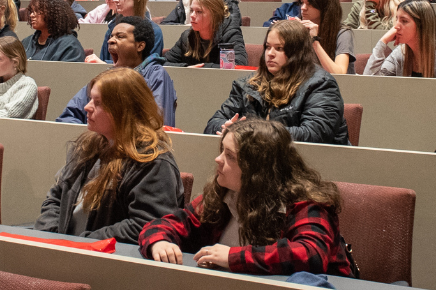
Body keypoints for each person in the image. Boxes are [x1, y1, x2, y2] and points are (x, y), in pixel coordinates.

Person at [138, 118, 355, 277]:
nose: (217, 159)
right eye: (222, 151)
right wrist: (158, 242)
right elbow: (167, 225)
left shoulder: (305, 202)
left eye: (229, 156)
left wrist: (233, 257)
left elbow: (311, 254)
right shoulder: (223, 193)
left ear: (257, 169)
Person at [36, 67, 180, 242]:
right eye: (90, 99)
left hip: (106, 260)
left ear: (122, 110)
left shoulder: (153, 161)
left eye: (98, 103)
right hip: (69, 250)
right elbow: (56, 197)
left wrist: (83, 243)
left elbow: (145, 225)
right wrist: (50, 235)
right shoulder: (87, 147)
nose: (86, 107)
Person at [205, 22, 346, 145]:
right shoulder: (248, 84)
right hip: (257, 161)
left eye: (279, 48)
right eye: (267, 47)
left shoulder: (321, 85)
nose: (270, 54)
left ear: (297, 53)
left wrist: (252, 132)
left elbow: (313, 134)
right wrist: (227, 127)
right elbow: (213, 123)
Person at [62, 16, 178, 126]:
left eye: (120, 36)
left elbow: (157, 124)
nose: (110, 41)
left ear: (140, 46)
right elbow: (69, 116)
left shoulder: (156, 75)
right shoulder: (106, 77)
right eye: (111, 36)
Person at [368, 0, 436, 79]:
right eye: (397, 19)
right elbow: (370, 83)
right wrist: (382, 42)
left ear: (422, 25)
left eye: (404, 21)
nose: (396, 26)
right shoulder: (400, 52)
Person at [163, 0, 248, 68]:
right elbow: (164, 63)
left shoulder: (230, 34)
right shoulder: (187, 36)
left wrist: (201, 69)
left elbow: (238, 66)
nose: (192, 15)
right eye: (192, 10)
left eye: (199, 11)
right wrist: (186, 68)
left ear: (214, 15)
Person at [291, 0, 355, 74]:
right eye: (302, 2)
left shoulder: (343, 33)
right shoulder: (300, 30)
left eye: (309, 3)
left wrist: (315, 41)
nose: (303, 8)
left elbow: (339, 74)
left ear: (324, 5)